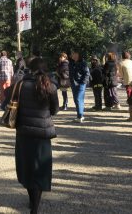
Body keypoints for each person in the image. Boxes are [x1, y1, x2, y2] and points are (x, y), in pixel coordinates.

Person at [11, 57, 58, 214]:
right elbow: (54, 110)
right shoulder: (50, 86)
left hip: (24, 132)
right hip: (43, 134)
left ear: (29, 68)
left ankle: (32, 201)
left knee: (27, 167)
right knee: (41, 169)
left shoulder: (21, 84)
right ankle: (35, 207)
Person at [69, 50, 90, 122]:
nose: (72, 55)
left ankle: (80, 116)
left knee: (78, 99)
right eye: (72, 54)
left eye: (74, 53)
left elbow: (87, 73)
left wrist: (82, 83)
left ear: (78, 54)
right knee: (76, 100)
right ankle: (80, 115)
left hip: (80, 84)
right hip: (73, 84)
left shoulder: (83, 63)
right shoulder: (71, 63)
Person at [120, 51, 132, 120]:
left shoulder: (121, 63)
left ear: (122, 56)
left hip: (128, 82)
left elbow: (121, 75)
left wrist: (121, 79)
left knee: (130, 96)